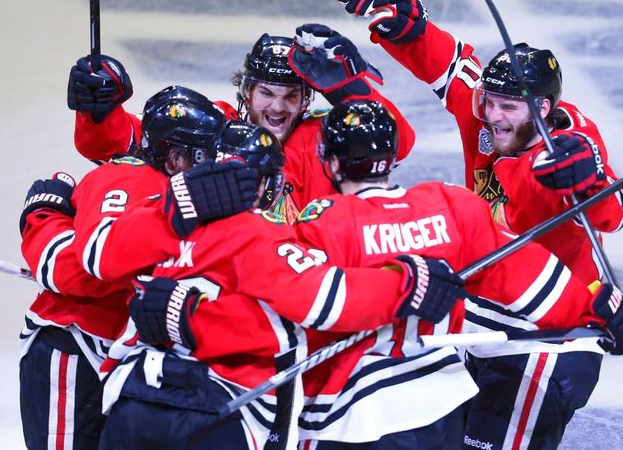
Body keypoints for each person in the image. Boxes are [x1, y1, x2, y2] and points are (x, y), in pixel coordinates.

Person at [334, 0, 623, 449]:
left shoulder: (569, 148)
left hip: (547, 340)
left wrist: (592, 184)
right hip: (481, 318)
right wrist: (410, 30)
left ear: (543, 107)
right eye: (490, 102)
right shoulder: (486, 111)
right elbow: (453, 69)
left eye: (508, 106)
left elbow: (614, 214)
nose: (494, 116)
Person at [289, 99, 623, 449]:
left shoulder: (324, 222)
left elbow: (295, 304)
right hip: (439, 407)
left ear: (332, 163)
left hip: (350, 417)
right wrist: (600, 311)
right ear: (392, 158)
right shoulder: (448, 206)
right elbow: (524, 275)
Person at [92, 119, 456, 450]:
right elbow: (324, 300)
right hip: (216, 413)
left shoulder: (157, 219)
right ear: (268, 185)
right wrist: (407, 285)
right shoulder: (263, 236)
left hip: (132, 400)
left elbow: (97, 258)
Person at [18, 86, 257, 449]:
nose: (217, 159)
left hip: (119, 358)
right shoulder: (129, 180)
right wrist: (43, 218)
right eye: (206, 151)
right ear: (176, 157)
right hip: (73, 346)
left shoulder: (178, 186)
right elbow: (78, 272)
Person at [66, 30, 416, 221]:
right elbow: (116, 142)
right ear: (246, 90)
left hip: (312, 278)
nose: (278, 107)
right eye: (266, 92)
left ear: (307, 98)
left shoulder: (325, 134)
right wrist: (99, 108)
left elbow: (396, 143)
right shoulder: (213, 123)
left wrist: (349, 92)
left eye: (292, 95)